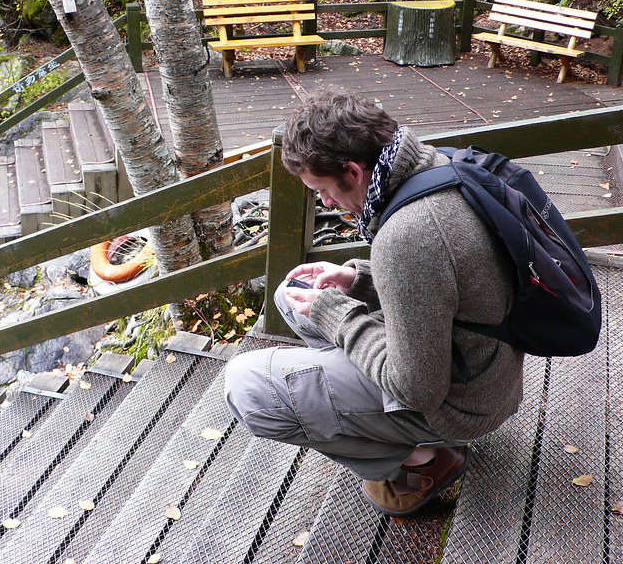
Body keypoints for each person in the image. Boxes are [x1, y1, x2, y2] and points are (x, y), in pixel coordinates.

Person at [223, 87, 524, 517]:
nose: (326, 203)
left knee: (247, 387)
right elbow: (443, 281)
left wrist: (337, 316)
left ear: (352, 170)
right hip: (485, 363)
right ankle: (349, 399)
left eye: (323, 190)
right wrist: (357, 280)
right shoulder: (435, 165)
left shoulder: (409, 234)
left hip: (463, 403)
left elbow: (416, 390)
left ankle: (424, 460)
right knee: (292, 292)